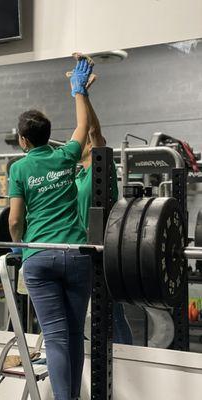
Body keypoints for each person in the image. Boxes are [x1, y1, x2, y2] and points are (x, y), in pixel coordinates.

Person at [8, 58, 96, 400]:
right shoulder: (65, 156)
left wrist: (18, 247)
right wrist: (77, 91)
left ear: (23, 140)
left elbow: (15, 220)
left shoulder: (19, 168)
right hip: (76, 256)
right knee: (74, 337)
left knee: (57, 338)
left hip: (40, 258)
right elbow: (82, 126)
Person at [75, 90, 133, 345]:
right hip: (79, 251)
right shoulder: (76, 176)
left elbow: (93, 130)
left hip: (102, 252)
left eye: (84, 140)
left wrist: (82, 95)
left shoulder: (102, 170)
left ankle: (127, 358)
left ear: (91, 146)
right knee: (84, 313)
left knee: (112, 313)